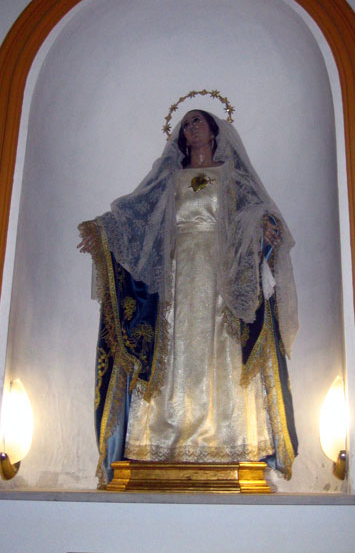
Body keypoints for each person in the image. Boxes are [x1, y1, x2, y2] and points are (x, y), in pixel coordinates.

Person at [78, 109, 298, 488]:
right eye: (185, 124)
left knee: (220, 349)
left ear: (214, 131)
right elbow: (136, 216)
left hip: (220, 277)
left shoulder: (232, 177)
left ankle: (229, 438)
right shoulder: (170, 179)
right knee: (174, 350)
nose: (191, 127)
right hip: (177, 276)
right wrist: (103, 232)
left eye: (198, 121)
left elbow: (254, 211)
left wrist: (264, 223)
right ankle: (162, 440)